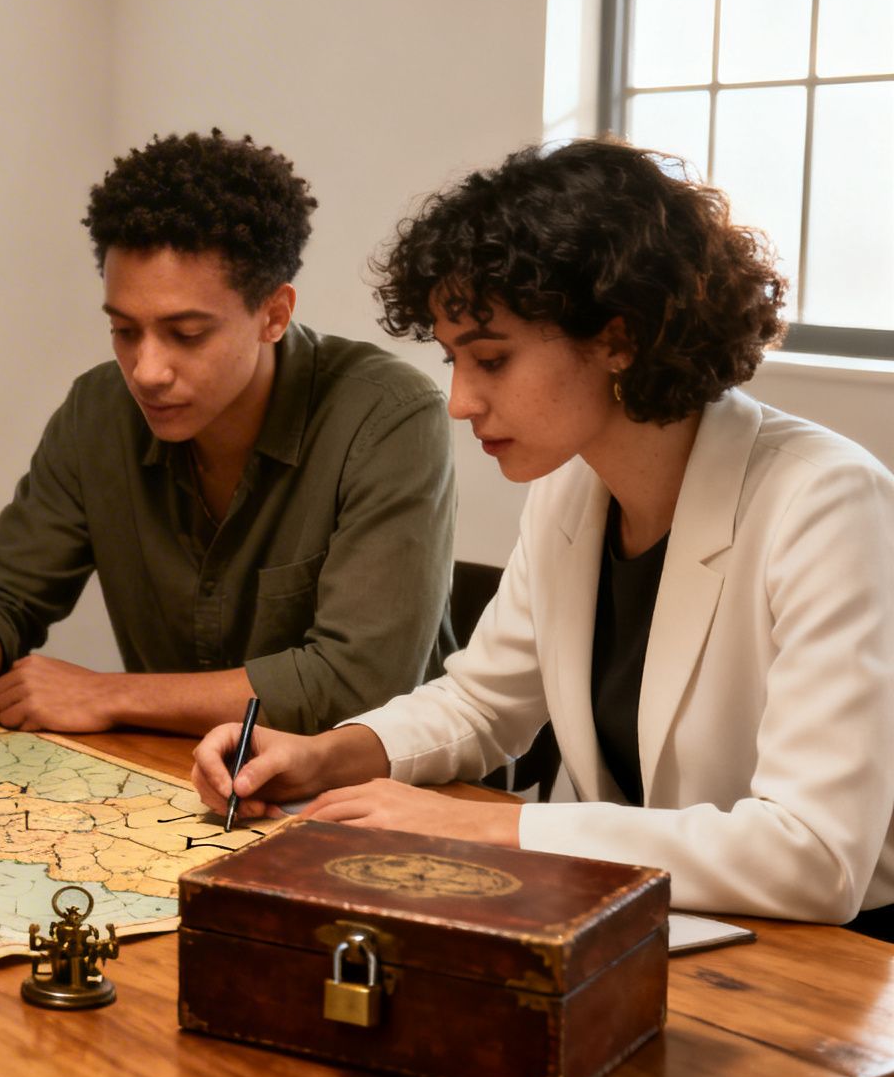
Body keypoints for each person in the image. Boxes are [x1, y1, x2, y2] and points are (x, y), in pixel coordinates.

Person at [194, 138, 894, 935]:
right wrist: (324, 755)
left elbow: (815, 856)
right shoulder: (574, 481)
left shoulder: (827, 501)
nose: (459, 403)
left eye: (491, 360)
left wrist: (498, 828)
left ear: (619, 339)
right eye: (455, 360)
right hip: (637, 923)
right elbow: (485, 703)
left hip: (829, 962)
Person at [0, 130, 455, 760]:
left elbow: (357, 684)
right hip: (185, 783)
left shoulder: (389, 416)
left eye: (186, 334)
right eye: (125, 330)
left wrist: (109, 695)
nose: (146, 370)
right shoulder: (99, 410)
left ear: (274, 314)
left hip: (375, 801)